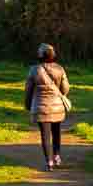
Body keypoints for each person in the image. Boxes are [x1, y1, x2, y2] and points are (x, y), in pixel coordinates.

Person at [24, 42, 71, 170]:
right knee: (56, 132)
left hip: (40, 107)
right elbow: (65, 89)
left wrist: (28, 105)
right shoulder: (60, 69)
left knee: (45, 135)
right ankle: (57, 156)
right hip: (57, 107)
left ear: (40, 55)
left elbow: (28, 90)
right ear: (52, 55)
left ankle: (49, 162)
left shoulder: (34, 70)